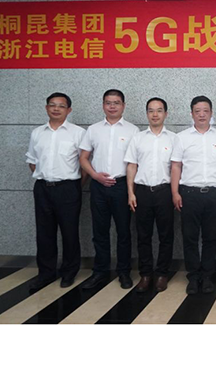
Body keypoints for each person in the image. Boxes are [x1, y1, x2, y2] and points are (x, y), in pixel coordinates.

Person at [25, 93, 86, 292]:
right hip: (43, 188)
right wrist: (46, 178)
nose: (56, 109)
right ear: (46, 108)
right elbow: (32, 162)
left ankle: (69, 272)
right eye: (52, 105)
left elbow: (84, 164)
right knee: (44, 233)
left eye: (61, 106)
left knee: (70, 232)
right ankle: (46, 273)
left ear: (69, 110)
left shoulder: (78, 133)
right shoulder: (37, 133)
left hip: (68, 188)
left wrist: (74, 186)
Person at [79, 89, 139, 290]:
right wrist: (95, 175)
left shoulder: (133, 131)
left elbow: (135, 162)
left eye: (116, 103)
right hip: (98, 186)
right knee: (100, 231)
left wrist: (130, 190)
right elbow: (83, 158)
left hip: (121, 186)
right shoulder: (93, 129)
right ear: (103, 105)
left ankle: (124, 272)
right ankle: (100, 272)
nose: (112, 106)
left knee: (123, 232)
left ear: (124, 106)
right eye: (108, 102)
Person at [171, 95, 216, 295]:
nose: (202, 114)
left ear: (211, 113)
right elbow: (176, 166)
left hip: (214, 193)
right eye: (197, 111)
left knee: (211, 237)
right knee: (190, 237)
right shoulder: (182, 137)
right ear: (192, 113)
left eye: (205, 111)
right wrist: (175, 192)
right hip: (189, 193)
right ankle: (193, 277)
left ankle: (207, 276)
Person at [125, 97, 177, 293]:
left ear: (166, 114)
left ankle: (162, 274)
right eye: (151, 110)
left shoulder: (173, 138)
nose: (155, 114)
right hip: (143, 192)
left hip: (164, 192)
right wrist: (131, 193)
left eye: (159, 110)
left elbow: (176, 168)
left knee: (166, 235)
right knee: (143, 235)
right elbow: (132, 166)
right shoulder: (138, 138)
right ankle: (145, 275)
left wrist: (175, 193)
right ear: (147, 113)